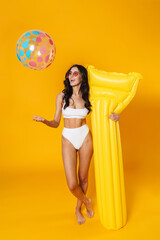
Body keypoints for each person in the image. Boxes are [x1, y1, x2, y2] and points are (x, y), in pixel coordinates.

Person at [32, 64, 120, 225]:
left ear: (82, 77)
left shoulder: (89, 96)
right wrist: (45, 121)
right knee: (72, 184)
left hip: (85, 136)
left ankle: (78, 209)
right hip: (68, 137)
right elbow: (56, 122)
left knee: (83, 178)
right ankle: (86, 201)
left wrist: (116, 114)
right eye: (69, 73)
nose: (71, 76)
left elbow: (106, 107)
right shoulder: (62, 96)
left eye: (75, 73)